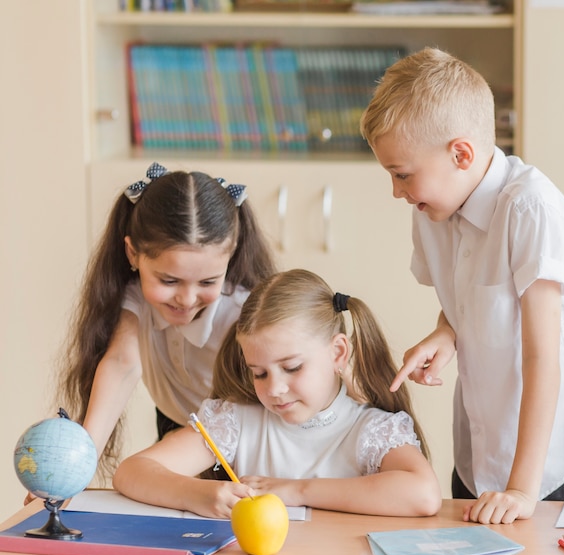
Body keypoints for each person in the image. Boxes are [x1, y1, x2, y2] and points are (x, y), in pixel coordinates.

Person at [360, 47, 564, 524]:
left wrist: (522, 491)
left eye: (402, 174)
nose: (397, 192)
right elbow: (466, 301)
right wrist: (447, 333)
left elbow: (542, 355)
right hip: (483, 455)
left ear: (460, 154)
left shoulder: (529, 209)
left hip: (563, 462)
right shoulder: (435, 209)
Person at [113, 269, 442, 518]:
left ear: (338, 353)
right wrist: (198, 494)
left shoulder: (369, 430)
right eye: (259, 373)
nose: (274, 389)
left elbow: (423, 494)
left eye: (293, 367)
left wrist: (297, 490)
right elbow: (132, 472)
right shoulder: (236, 422)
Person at [55, 162, 277, 475]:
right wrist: (77, 467)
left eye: (207, 282)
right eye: (169, 281)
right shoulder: (133, 299)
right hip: (179, 427)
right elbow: (121, 363)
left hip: (248, 442)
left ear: (231, 254)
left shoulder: (242, 312)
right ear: (133, 254)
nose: (186, 300)